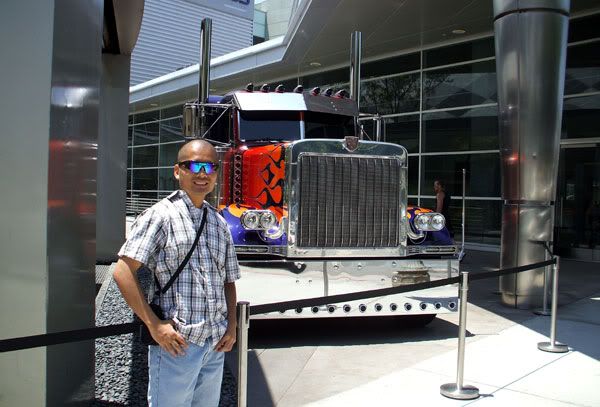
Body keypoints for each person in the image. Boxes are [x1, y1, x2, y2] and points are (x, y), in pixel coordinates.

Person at [113, 139, 240, 406]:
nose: (202, 173)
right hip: (178, 345)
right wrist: (154, 325)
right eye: (193, 165)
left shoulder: (218, 222)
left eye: (210, 166)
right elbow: (123, 271)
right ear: (177, 171)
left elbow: (227, 280)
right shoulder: (160, 215)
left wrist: (231, 326)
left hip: (214, 344)